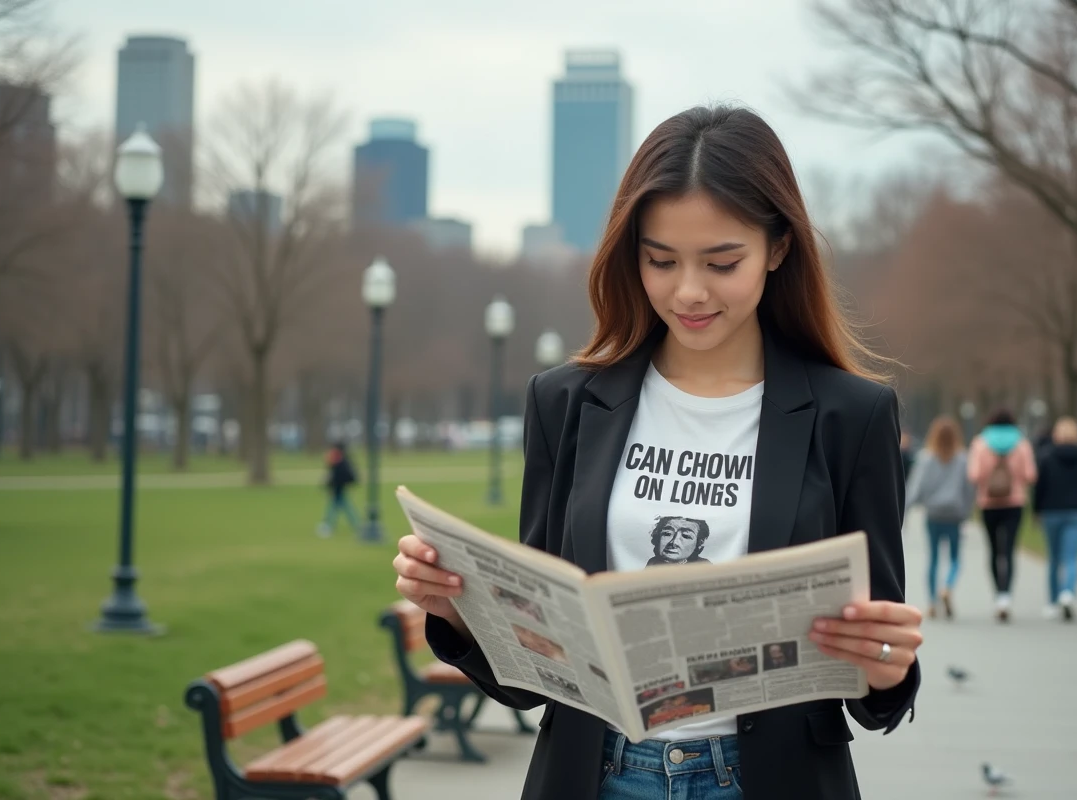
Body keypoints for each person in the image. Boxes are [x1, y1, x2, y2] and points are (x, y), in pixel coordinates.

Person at [392, 105, 922, 800]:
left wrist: (887, 668)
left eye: (722, 261)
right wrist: (460, 612)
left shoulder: (851, 416)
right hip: (598, 776)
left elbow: (874, 678)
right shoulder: (566, 404)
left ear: (778, 248)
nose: (689, 291)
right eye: (660, 260)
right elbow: (535, 678)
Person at [968, 409, 1037, 622]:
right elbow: (1030, 475)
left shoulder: (980, 443)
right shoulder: (1022, 443)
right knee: (1009, 550)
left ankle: (998, 592)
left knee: (993, 550)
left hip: (988, 503)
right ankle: (1006, 596)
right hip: (1014, 503)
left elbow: (974, 475)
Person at [905, 415, 974, 620]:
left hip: (934, 514)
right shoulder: (962, 458)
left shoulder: (926, 458)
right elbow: (969, 489)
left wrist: (905, 510)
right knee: (954, 558)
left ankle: (932, 602)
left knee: (933, 558)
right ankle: (948, 586)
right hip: (954, 514)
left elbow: (917, 487)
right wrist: (967, 511)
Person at [1034, 417, 1077, 621]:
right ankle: (1068, 593)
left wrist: (1036, 510)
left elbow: (1039, 488)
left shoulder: (1047, 457)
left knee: (1054, 558)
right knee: (1072, 557)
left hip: (1052, 512)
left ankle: (1053, 602)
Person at [316, 442, 359, 537]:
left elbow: (338, 476)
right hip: (338, 489)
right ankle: (356, 526)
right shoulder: (338, 460)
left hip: (339, 489)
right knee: (343, 507)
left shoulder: (341, 462)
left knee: (335, 508)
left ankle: (327, 526)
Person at [646, 515, 712, 565]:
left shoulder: (704, 566)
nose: (674, 542)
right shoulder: (653, 563)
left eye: (686, 536)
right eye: (667, 533)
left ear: (700, 543)